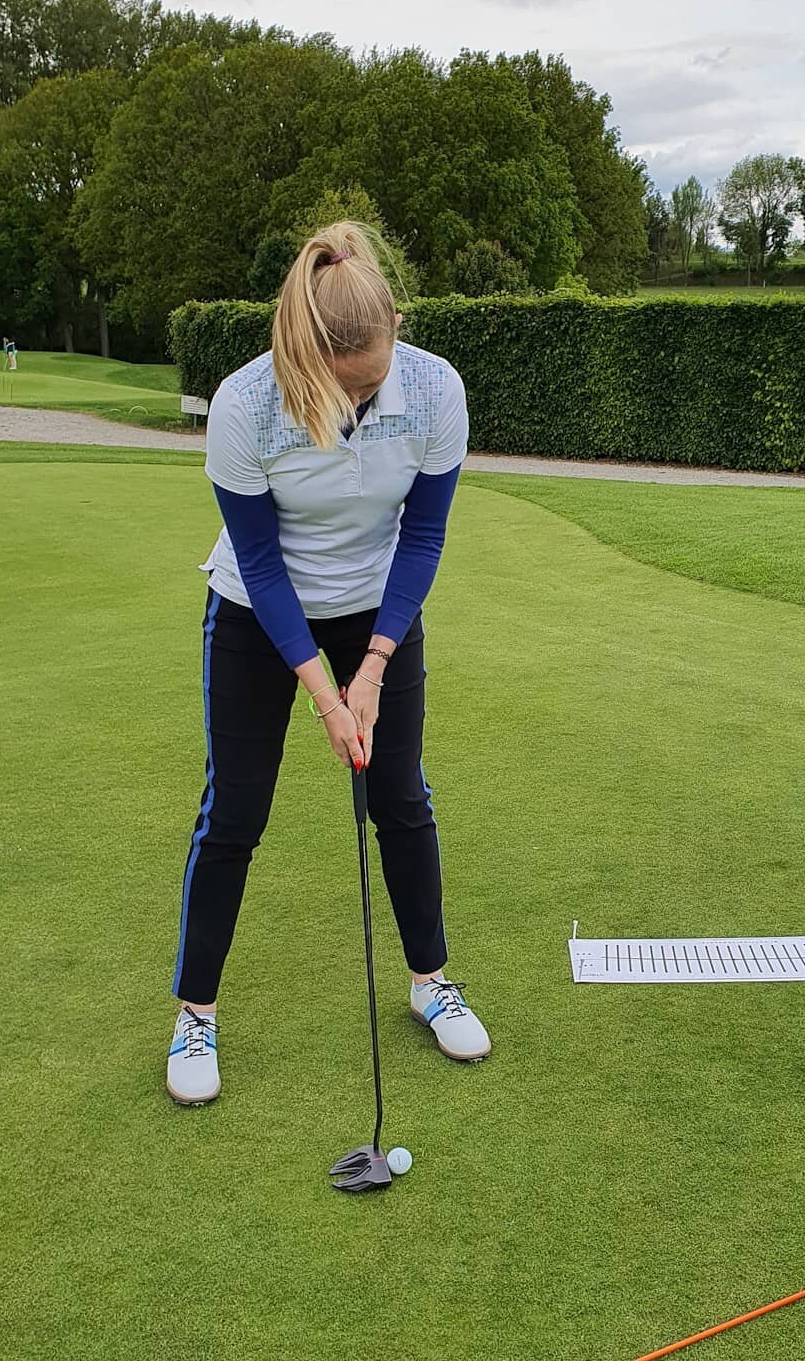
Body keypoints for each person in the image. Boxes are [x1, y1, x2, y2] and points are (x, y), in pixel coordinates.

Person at [166, 220, 490, 1105]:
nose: (367, 394)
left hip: (379, 611)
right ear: (308, 355)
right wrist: (325, 697)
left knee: (400, 799)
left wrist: (374, 668)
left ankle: (430, 982)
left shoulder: (434, 389)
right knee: (234, 811)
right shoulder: (245, 405)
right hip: (254, 614)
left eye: (378, 374)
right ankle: (197, 1012)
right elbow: (262, 565)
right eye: (351, 384)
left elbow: (423, 535)